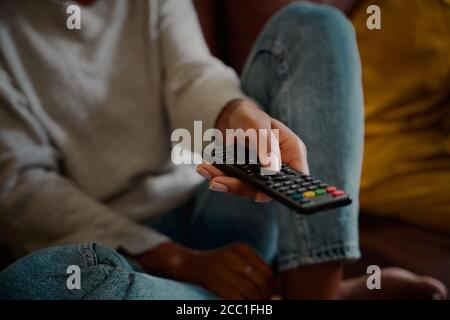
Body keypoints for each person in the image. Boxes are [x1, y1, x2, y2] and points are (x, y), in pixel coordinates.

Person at [0, 0, 446, 300]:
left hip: (213, 202)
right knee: (30, 282)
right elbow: (23, 186)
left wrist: (240, 116)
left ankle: (316, 292)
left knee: (315, 24)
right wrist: (179, 261)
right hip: (118, 252)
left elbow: (192, 76)